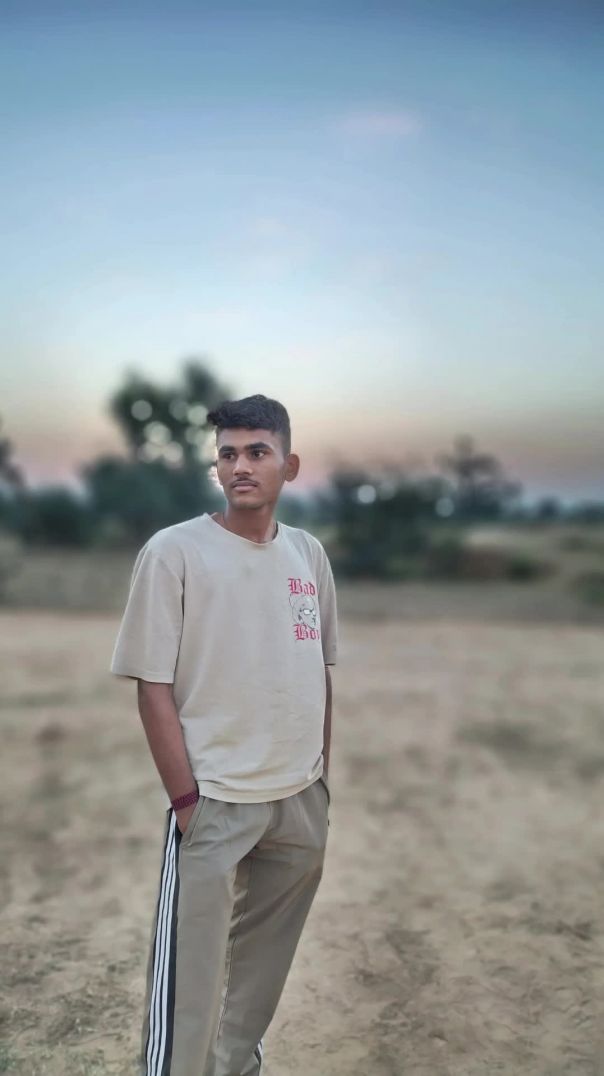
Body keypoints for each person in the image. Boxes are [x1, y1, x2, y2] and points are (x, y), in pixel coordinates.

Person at [109, 393, 338, 1076]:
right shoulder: (174, 552)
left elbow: (320, 670)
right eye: (228, 454)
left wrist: (321, 785)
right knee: (191, 989)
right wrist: (187, 804)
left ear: (288, 466)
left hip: (298, 803)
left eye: (257, 452)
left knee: (255, 986)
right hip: (215, 801)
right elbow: (153, 685)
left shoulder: (308, 555)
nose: (240, 466)